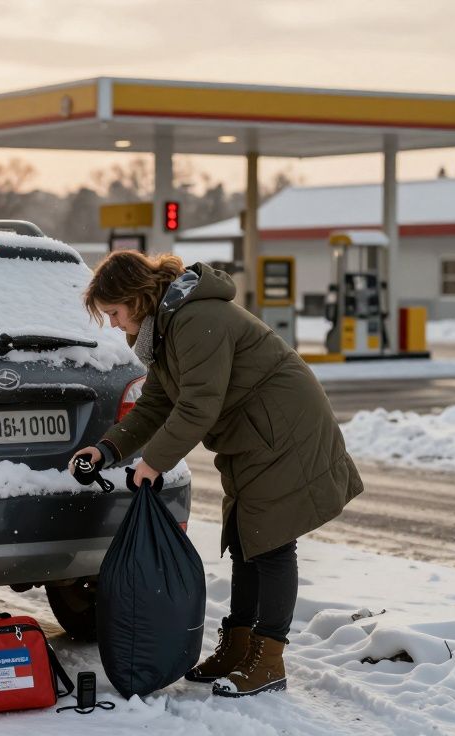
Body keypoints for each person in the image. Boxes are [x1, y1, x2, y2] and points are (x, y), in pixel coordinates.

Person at [69, 251, 363, 698]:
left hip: (282, 428)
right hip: (254, 434)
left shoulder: (194, 320)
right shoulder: (167, 328)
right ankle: (240, 643)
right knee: (248, 537)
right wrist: (108, 448)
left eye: (113, 312)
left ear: (136, 297)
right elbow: (157, 403)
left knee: (272, 541)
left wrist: (154, 462)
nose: (112, 324)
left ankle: (268, 660)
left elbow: (197, 406)